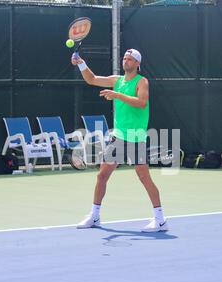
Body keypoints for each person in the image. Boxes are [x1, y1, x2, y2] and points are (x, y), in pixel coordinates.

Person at [71, 49, 168, 232]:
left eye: (130, 59)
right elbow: (91, 79)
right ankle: (94, 216)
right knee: (101, 176)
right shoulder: (117, 80)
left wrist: (117, 95)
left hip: (136, 138)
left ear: (137, 63)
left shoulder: (142, 81)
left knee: (144, 178)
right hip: (118, 137)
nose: (125, 61)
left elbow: (141, 102)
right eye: (124, 58)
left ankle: (160, 220)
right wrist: (81, 63)